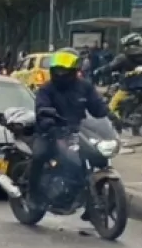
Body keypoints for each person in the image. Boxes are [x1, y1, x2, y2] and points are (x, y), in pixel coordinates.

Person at [28, 48, 108, 213]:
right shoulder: (46, 89)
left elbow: (98, 108)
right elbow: (42, 106)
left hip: (77, 131)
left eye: (64, 68)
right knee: (40, 155)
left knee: (94, 157)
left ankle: (86, 201)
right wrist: (47, 118)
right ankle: (32, 194)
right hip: (50, 131)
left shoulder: (85, 87)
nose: (60, 72)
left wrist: (112, 117)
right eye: (58, 68)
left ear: (75, 68)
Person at [96, 32, 142, 132]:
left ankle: (116, 126)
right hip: (136, 88)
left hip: (127, 87)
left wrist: (98, 71)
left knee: (111, 106)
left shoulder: (123, 57)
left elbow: (109, 67)